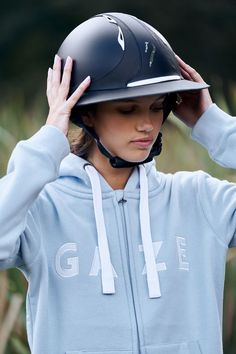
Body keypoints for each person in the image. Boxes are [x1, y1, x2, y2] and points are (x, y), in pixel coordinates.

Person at [0, 11, 235, 354]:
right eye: (128, 110)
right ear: (86, 114)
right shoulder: (42, 208)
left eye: (157, 107)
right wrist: (50, 139)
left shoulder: (200, 200)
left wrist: (213, 125)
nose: (147, 124)